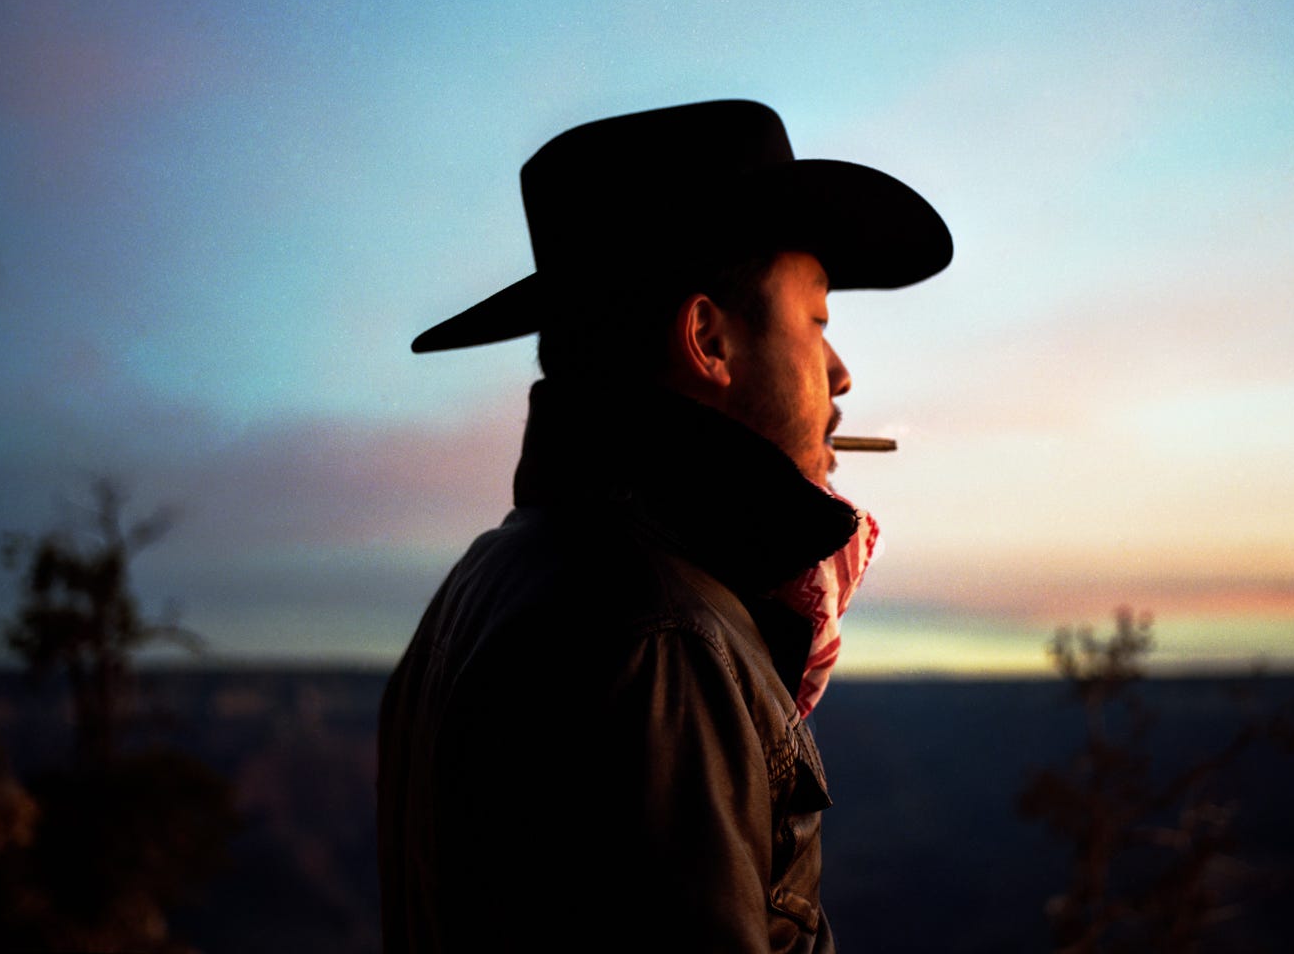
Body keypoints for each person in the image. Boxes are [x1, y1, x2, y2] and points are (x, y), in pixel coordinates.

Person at [377, 99, 951, 952]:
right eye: (818, 322)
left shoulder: (491, 575)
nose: (841, 374)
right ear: (709, 340)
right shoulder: (661, 635)